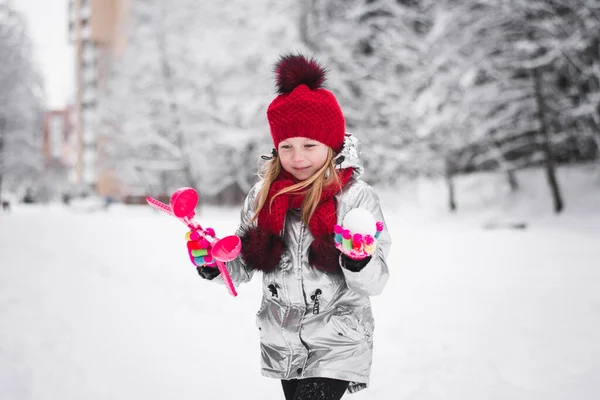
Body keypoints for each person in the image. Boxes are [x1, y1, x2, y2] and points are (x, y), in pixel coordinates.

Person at [186, 53, 391, 400]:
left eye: (310, 145)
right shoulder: (261, 197)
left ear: (331, 144)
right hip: (283, 338)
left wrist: (359, 259)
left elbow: (376, 280)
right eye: (287, 146)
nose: (298, 158)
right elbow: (242, 264)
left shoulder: (354, 198)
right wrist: (213, 261)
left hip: (337, 337)